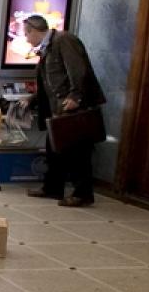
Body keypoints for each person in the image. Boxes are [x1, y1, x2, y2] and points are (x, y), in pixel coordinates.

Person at [21, 15, 105, 207]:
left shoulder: (64, 40)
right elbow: (49, 82)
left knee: (78, 152)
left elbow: (78, 70)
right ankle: (52, 188)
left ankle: (83, 194)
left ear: (34, 30)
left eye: (26, 34)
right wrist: (32, 99)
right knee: (54, 150)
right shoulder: (46, 48)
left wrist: (76, 97)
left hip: (72, 108)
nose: (26, 39)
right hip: (56, 109)